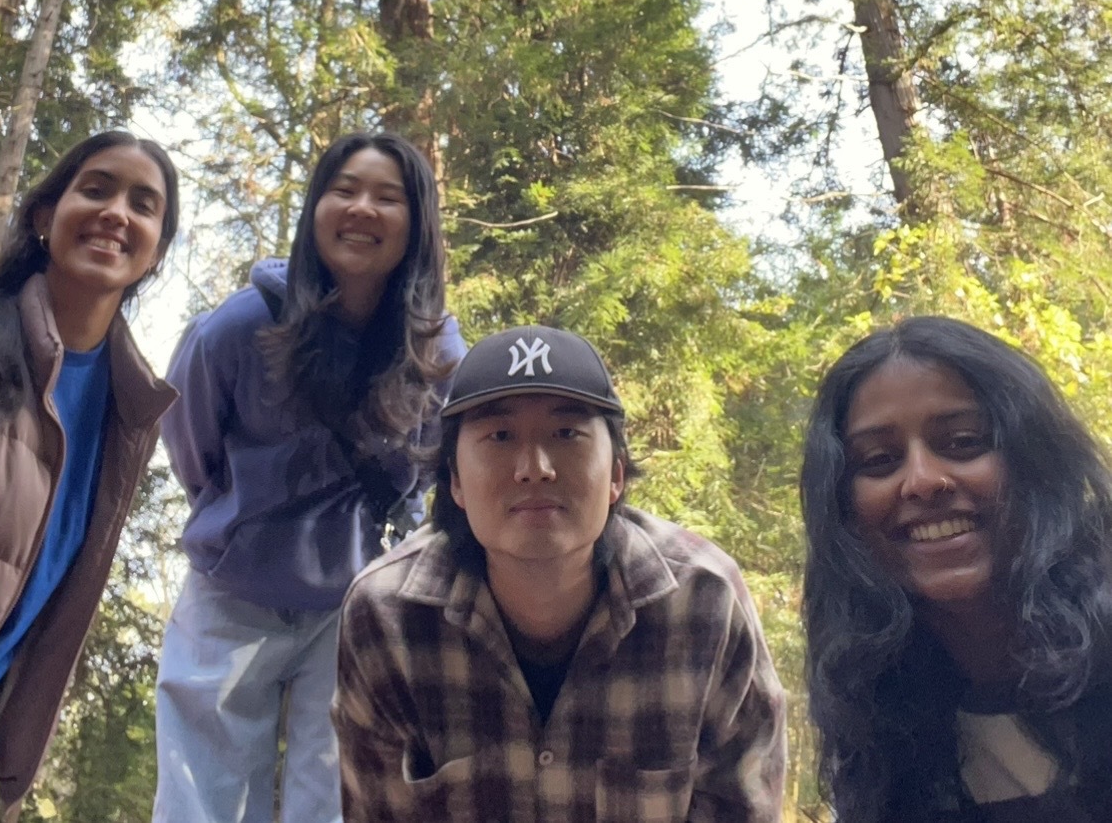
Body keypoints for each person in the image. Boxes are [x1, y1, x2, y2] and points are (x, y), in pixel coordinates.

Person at [334, 323, 787, 823]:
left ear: (616, 474)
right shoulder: (387, 619)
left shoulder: (705, 605)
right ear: (455, 481)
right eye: (500, 436)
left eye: (566, 434)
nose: (535, 467)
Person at [153, 131, 465, 823]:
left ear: (416, 224)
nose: (362, 209)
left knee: (337, 803)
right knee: (203, 801)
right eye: (344, 190)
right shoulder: (241, 326)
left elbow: (433, 469)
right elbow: (190, 439)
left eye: (387, 198)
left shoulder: (435, 350)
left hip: (353, 608)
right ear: (315, 208)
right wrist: (238, 522)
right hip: (229, 595)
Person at [0, 130, 180, 823]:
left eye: (143, 204)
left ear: (156, 250)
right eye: (96, 190)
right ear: (46, 217)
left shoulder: (129, 408)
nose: (116, 213)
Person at [801, 315, 1112, 823]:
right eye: (878, 460)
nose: (923, 481)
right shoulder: (875, 716)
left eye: (963, 442)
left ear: (1039, 463)